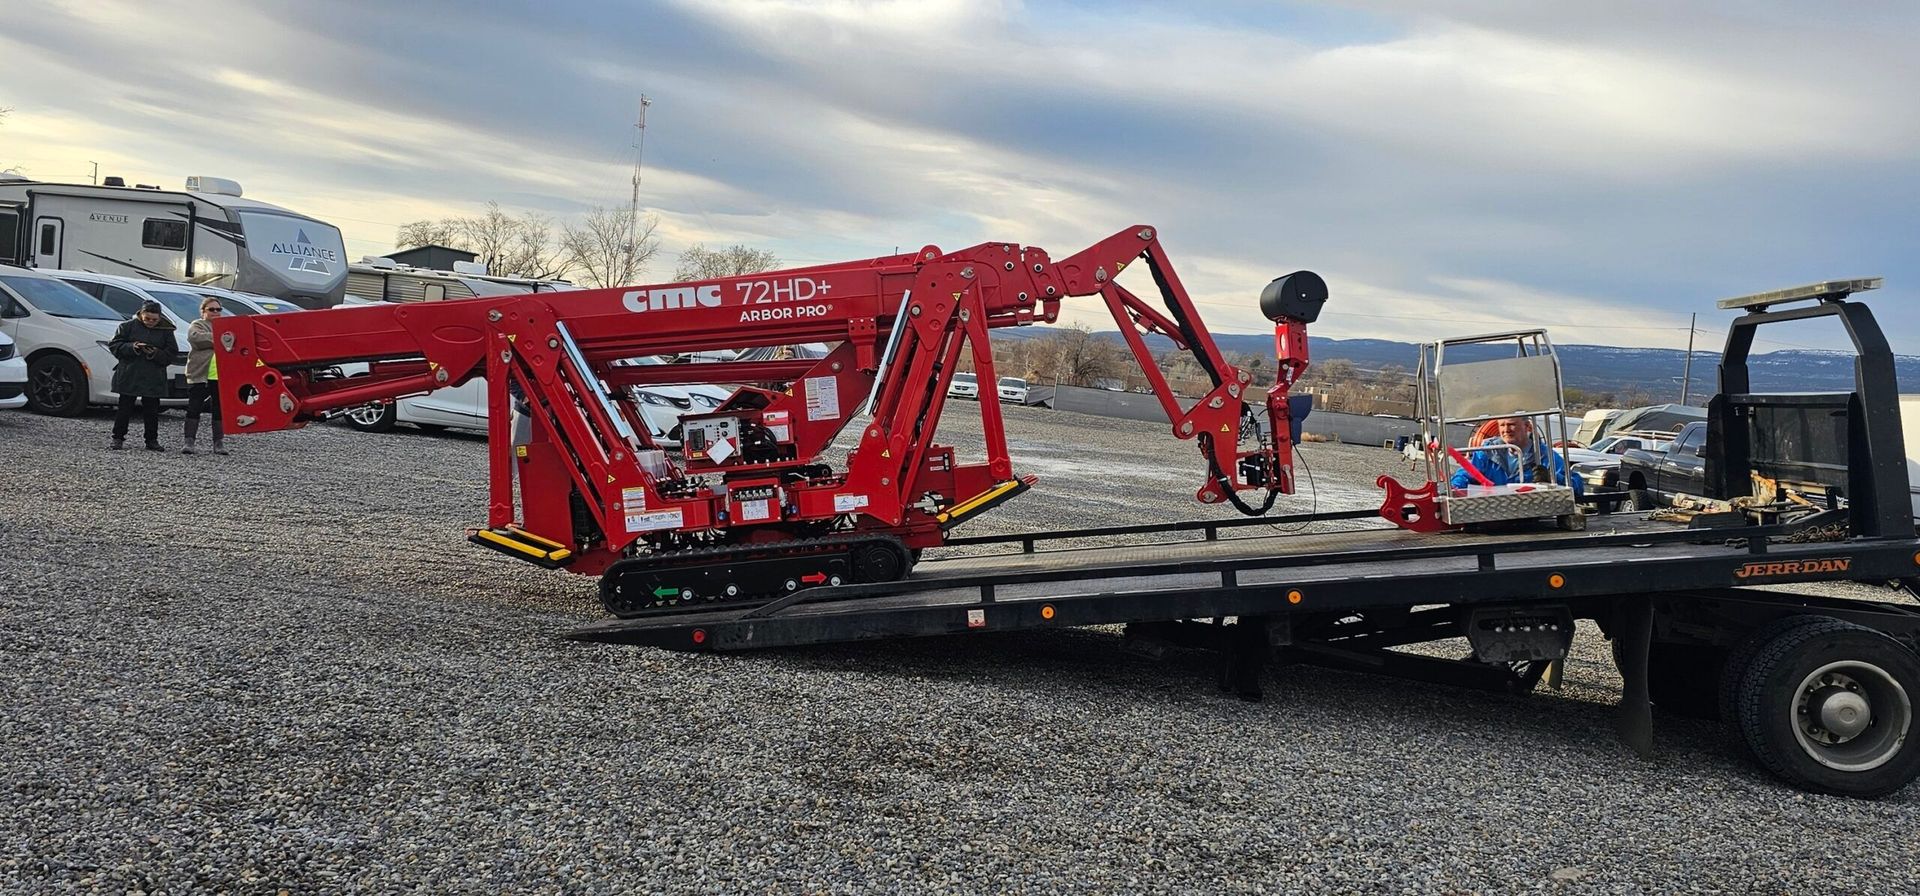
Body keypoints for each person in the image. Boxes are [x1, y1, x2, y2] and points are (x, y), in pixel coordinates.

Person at [108, 301, 180, 451]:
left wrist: (155, 353)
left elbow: (172, 352)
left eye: (154, 320)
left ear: (160, 317)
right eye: (147, 319)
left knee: (152, 410)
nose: (151, 322)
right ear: (140, 314)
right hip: (130, 372)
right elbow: (114, 346)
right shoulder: (127, 326)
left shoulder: (166, 330)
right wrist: (132, 347)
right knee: (124, 408)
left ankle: (151, 440)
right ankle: (118, 438)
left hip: (153, 374)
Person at [1451, 416, 1583, 497]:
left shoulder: (1544, 456)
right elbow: (1465, 474)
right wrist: (1454, 488)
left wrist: (1553, 479)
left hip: (1533, 520)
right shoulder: (1486, 453)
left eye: (1511, 424)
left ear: (1527, 426)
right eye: (1502, 425)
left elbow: (1577, 487)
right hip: (1492, 520)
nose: (1506, 429)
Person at [182, 297, 228, 455]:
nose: (216, 312)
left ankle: (218, 442)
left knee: (219, 409)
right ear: (203, 312)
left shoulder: (226, 326)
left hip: (220, 375)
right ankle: (189, 442)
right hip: (199, 374)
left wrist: (217, 339)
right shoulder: (197, 324)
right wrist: (220, 338)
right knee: (194, 407)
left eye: (218, 309)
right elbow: (195, 338)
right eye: (211, 309)